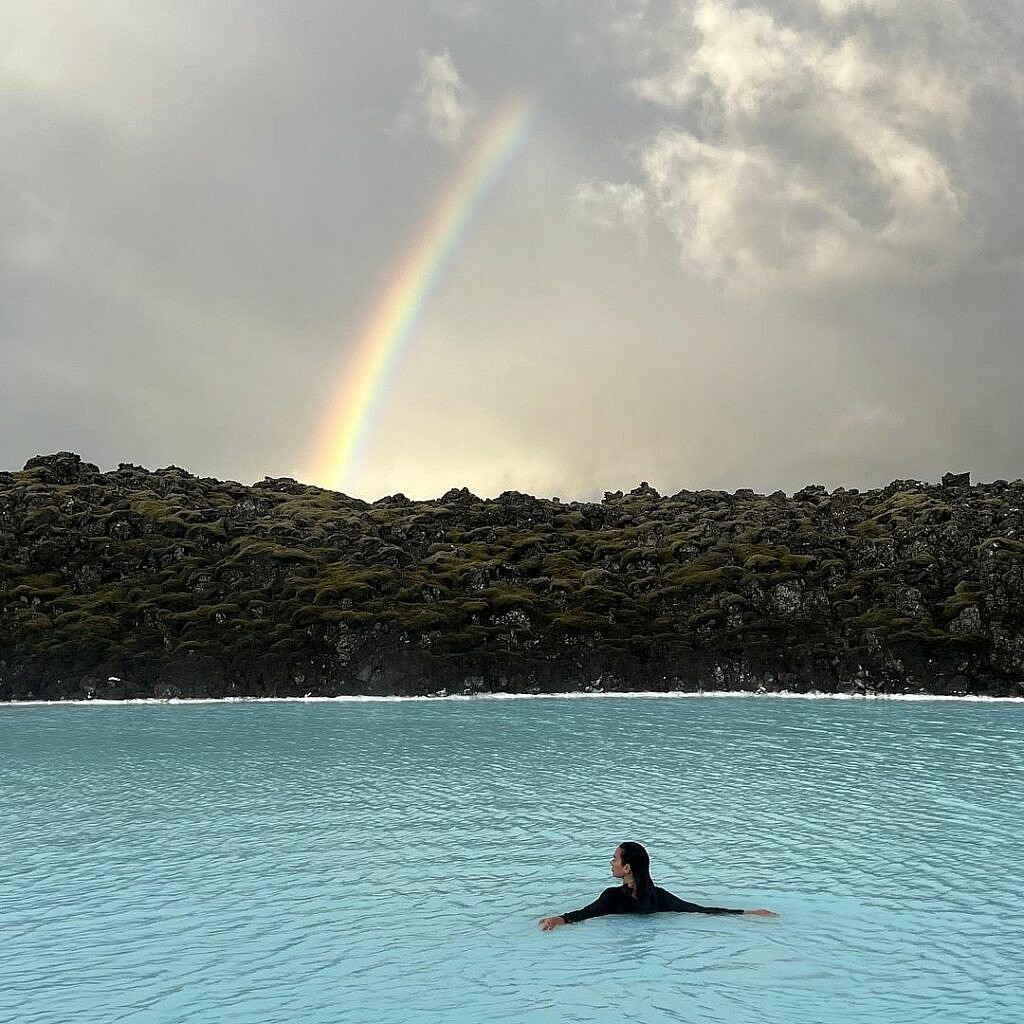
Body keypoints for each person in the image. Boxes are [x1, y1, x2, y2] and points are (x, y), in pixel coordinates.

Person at [539, 841, 778, 930]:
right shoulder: (658, 896)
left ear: (627, 868)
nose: (611, 862)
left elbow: (583, 914)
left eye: (615, 858)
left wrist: (556, 920)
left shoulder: (613, 897)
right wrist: (750, 913)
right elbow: (699, 910)